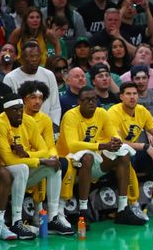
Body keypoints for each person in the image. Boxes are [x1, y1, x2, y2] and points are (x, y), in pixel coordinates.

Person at [56, 87, 146, 227]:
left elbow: (113, 134)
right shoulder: (70, 115)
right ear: (79, 101)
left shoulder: (102, 113)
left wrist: (116, 141)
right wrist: (102, 146)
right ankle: (83, 210)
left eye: (94, 99)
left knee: (123, 153)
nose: (91, 103)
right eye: (87, 100)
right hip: (68, 162)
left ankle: (123, 208)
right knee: (87, 157)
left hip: (92, 158)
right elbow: (73, 145)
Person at [0, 95, 72, 238]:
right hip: (5, 169)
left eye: (20, 109)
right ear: (5, 111)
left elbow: (44, 150)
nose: (19, 113)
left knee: (54, 165)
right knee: (22, 167)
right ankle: (16, 221)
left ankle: (53, 217)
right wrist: (40, 161)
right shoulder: (0, 124)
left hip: (22, 167)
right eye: (14, 110)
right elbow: (8, 159)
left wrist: (26, 154)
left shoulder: (29, 121)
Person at [107, 81, 153, 220]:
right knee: (126, 154)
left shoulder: (142, 111)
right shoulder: (113, 112)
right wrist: (145, 146)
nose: (132, 97)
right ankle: (134, 204)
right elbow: (117, 143)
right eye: (128, 94)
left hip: (136, 152)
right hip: (114, 155)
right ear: (121, 96)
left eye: (134, 94)